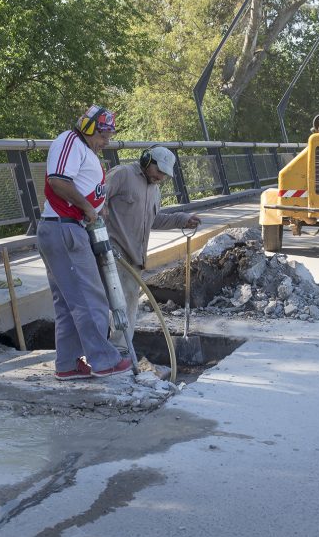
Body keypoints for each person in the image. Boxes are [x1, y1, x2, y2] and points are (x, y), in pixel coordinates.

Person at [35, 105, 132, 380]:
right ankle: (104, 360)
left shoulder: (83, 149)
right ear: (89, 128)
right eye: (103, 136)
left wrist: (96, 205)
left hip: (65, 229)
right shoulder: (70, 142)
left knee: (68, 303)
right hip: (65, 229)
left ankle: (67, 364)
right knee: (91, 298)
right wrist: (88, 209)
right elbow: (58, 181)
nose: (106, 142)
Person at [103, 146, 200, 357]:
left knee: (127, 303)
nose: (161, 177)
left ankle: (119, 349)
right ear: (147, 160)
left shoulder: (154, 189)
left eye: (165, 174)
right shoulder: (123, 174)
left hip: (134, 257)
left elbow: (154, 220)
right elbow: (96, 200)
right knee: (113, 303)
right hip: (113, 252)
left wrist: (182, 219)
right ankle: (112, 350)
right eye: (159, 171)